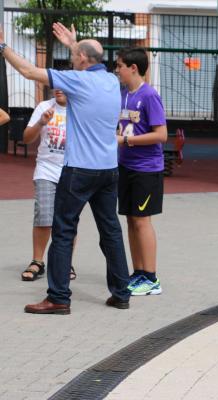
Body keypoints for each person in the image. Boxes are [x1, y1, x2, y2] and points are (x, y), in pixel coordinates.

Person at [0, 23, 131, 314]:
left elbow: (29, 72)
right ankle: (121, 293)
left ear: (83, 61)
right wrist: (74, 43)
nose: (71, 60)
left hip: (79, 170)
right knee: (110, 230)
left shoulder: (77, 80)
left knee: (62, 231)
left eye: (74, 56)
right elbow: (87, 55)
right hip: (109, 170)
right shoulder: (111, 81)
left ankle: (58, 297)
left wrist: (2, 48)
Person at [114, 47, 167, 296]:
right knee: (130, 220)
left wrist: (125, 142)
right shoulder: (124, 94)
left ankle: (151, 277)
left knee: (142, 221)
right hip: (126, 167)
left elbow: (161, 134)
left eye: (119, 66)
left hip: (146, 170)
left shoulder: (149, 96)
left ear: (133, 68)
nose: (117, 70)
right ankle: (137, 273)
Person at [20, 89, 77, 282]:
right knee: (44, 215)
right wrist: (41, 123)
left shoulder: (80, 108)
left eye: (64, 85)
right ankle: (38, 261)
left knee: (68, 220)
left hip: (72, 170)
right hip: (46, 169)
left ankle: (65, 262)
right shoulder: (44, 107)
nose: (59, 89)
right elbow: (26, 138)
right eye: (56, 85)